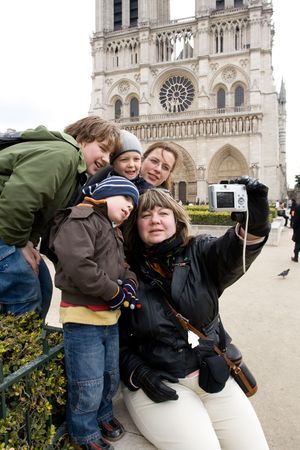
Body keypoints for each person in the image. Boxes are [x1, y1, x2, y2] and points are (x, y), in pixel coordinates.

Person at [119, 177, 270, 450]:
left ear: (177, 220)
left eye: (164, 213)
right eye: (146, 214)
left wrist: (255, 220)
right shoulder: (123, 269)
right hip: (158, 382)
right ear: (135, 224)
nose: (155, 219)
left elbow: (235, 251)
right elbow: (110, 335)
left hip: (210, 373)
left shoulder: (200, 251)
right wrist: (137, 372)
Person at [50, 176, 139, 450]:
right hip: (83, 317)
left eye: (133, 206)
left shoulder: (112, 230)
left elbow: (122, 267)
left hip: (109, 319)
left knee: (109, 376)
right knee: (87, 383)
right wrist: (114, 292)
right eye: (125, 198)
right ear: (105, 194)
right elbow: (80, 265)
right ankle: (84, 434)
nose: (129, 208)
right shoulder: (80, 218)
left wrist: (130, 284)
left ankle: (103, 416)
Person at [0, 116, 121, 317]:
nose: (107, 160)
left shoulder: (74, 169)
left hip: (7, 228)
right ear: (82, 138)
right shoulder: (64, 154)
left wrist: (29, 242)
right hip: (5, 227)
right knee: (24, 292)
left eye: (110, 154)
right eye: (102, 148)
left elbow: (39, 212)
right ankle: (18, 347)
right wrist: (20, 243)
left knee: (43, 285)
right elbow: (19, 199)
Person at [76, 129, 152, 198]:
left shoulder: (147, 189)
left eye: (136, 159)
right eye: (124, 160)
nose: (131, 165)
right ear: (113, 163)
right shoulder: (102, 186)